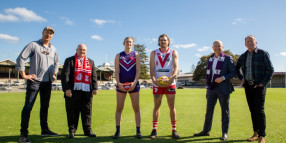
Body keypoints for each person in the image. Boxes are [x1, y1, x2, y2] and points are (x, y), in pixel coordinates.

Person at [16, 26, 59, 143]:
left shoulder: (53, 49)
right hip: (34, 81)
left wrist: (54, 73)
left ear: (52, 36)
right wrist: (24, 75)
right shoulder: (33, 45)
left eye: (51, 34)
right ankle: (23, 134)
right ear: (42, 32)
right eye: (47, 32)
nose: (48, 35)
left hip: (47, 82)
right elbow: (21, 58)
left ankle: (44, 130)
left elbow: (56, 62)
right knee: (28, 107)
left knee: (45, 107)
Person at [193, 40, 235, 141]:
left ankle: (224, 133)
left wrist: (223, 77)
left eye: (219, 46)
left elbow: (234, 72)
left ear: (222, 47)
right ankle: (206, 131)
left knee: (225, 111)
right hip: (211, 88)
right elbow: (209, 74)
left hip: (223, 88)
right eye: (215, 46)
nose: (217, 48)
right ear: (212, 48)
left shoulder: (228, 58)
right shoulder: (210, 59)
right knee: (209, 111)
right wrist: (207, 87)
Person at [235, 35, 273, 143]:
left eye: (252, 41)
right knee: (252, 110)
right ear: (245, 44)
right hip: (248, 86)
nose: (250, 43)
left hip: (259, 86)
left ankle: (262, 136)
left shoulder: (263, 53)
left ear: (256, 42)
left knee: (259, 111)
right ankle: (255, 133)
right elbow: (236, 68)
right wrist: (241, 78)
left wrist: (263, 83)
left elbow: (270, 69)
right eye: (248, 42)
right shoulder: (243, 56)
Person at [61, 44, 98, 138]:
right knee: (72, 111)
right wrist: (67, 89)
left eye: (84, 50)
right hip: (73, 91)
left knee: (87, 111)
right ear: (76, 50)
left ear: (86, 51)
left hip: (86, 91)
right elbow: (65, 75)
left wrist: (95, 88)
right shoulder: (69, 60)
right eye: (80, 49)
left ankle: (87, 130)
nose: (82, 51)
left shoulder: (91, 62)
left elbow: (94, 76)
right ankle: (72, 130)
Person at [149, 34, 180, 139]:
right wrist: (154, 80)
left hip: (170, 83)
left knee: (171, 106)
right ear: (159, 42)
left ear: (168, 42)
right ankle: (154, 130)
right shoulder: (154, 53)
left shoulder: (173, 52)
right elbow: (152, 68)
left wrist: (172, 78)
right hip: (157, 83)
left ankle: (174, 130)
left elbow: (176, 67)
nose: (163, 42)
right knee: (156, 106)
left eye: (165, 40)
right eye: (161, 40)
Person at [113, 37, 141, 139]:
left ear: (132, 44)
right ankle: (117, 130)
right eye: (127, 42)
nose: (128, 43)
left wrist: (134, 82)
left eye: (130, 42)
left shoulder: (136, 55)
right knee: (119, 108)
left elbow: (138, 70)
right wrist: (119, 83)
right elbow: (116, 71)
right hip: (121, 85)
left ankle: (138, 131)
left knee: (136, 108)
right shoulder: (118, 56)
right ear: (123, 43)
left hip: (134, 85)